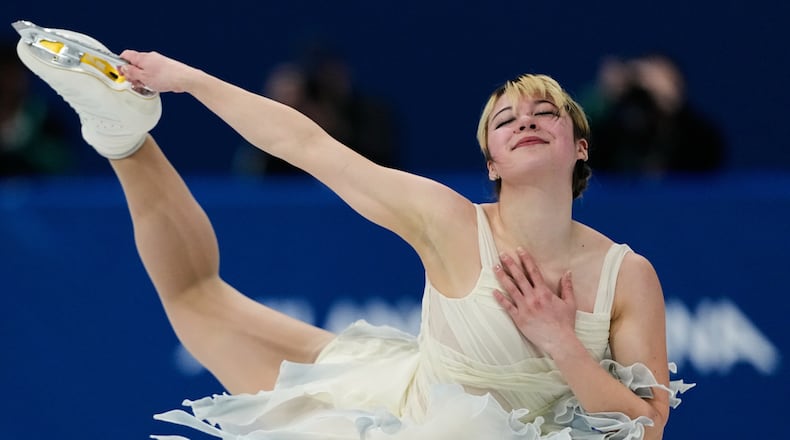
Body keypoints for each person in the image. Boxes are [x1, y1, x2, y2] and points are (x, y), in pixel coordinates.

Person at [16, 25, 691, 440]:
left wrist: (559, 340)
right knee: (196, 300)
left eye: (545, 113)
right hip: (393, 415)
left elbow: (646, 427)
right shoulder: (449, 221)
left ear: (580, 147)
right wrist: (188, 80)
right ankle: (123, 136)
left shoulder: (626, 277)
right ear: (490, 160)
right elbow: (307, 145)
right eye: (505, 119)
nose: (526, 121)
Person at [582, 53, 726, 176]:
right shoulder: (614, 132)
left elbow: (710, 154)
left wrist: (671, 103)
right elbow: (579, 150)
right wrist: (602, 99)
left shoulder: (693, 138)